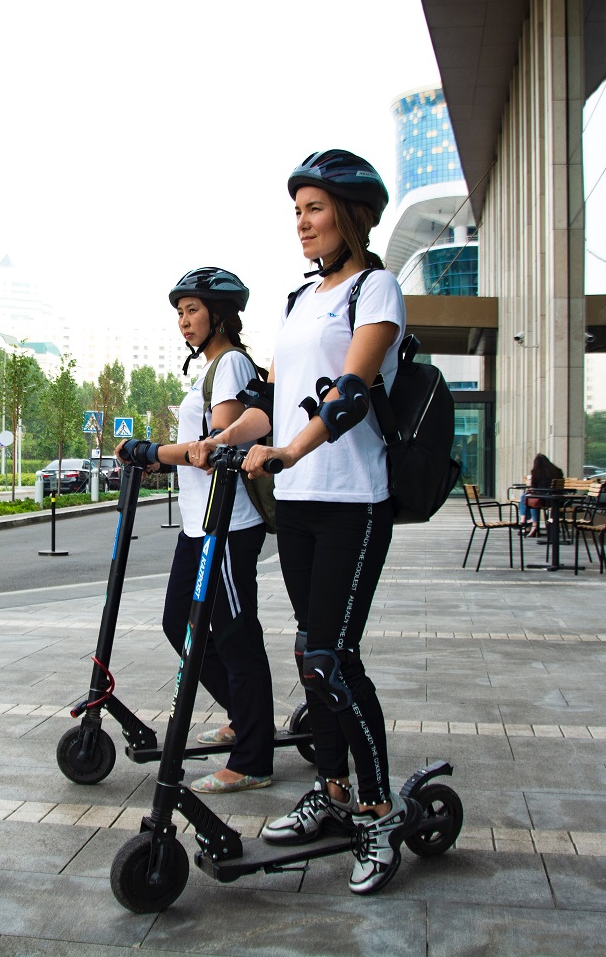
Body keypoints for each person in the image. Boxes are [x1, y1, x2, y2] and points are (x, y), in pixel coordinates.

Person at [200, 149, 409, 894]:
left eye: (315, 209)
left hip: (354, 498)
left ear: (351, 216)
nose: (302, 224)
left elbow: (351, 391)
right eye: (297, 211)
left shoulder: (377, 289)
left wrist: (290, 449)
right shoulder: (298, 300)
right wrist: (228, 440)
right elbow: (272, 399)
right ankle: (335, 790)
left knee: (333, 657)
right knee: (307, 657)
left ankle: (380, 810)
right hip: (300, 501)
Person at [118, 267, 274, 794]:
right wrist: (159, 460)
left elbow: (217, 451)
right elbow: (194, 452)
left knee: (234, 634)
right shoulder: (210, 369)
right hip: (198, 526)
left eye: (192, 310)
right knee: (176, 622)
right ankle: (244, 714)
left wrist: (152, 451)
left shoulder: (229, 365)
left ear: (219, 315)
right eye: (180, 313)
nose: (184, 322)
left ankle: (253, 755)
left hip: (226, 526)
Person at [518, 453, 563, 536]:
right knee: (528, 497)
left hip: (543, 500)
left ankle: (527, 522)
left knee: (528, 497)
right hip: (556, 499)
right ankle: (530, 523)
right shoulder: (557, 471)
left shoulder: (536, 472)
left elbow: (533, 487)